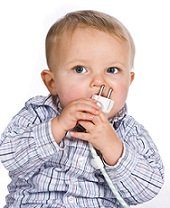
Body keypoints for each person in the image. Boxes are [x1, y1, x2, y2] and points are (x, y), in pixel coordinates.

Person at [0, 10, 164, 208]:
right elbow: (9, 157)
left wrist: (112, 147)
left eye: (112, 70)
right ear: (52, 82)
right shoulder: (37, 113)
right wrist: (56, 127)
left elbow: (149, 188)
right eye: (80, 69)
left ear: (129, 81)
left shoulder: (128, 131)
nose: (98, 82)